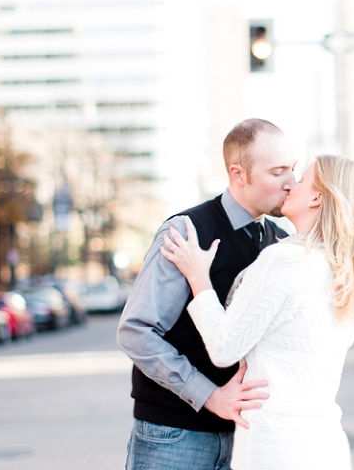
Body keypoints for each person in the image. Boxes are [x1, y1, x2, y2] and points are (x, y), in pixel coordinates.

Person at [161, 155, 354, 470]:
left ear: (317, 197)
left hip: (277, 448)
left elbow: (224, 347)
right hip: (326, 447)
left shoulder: (284, 260)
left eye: (302, 178)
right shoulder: (345, 274)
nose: (291, 184)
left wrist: (199, 278)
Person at [116, 118, 297, 470]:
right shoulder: (186, 232)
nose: (291, 183)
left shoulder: (280, 243)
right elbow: (135, 332)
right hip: (176, 437)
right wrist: (209, 396)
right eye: (277, 173)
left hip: (249, 441)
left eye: (293, 169)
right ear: (239, 174)